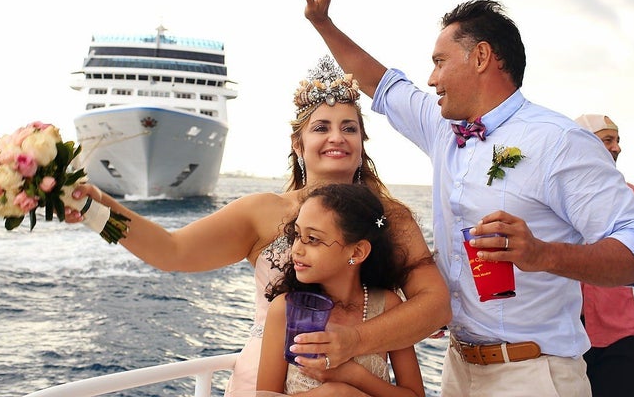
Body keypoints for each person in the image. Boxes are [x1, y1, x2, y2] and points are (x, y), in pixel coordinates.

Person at [300, 0, 634, 396]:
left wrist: (541, 254)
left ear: (481, 58)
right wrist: (323, 23)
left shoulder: (560, 142)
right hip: (458, 369)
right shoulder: (441, 128)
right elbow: (380, 83)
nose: (431, 78)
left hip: (534, 374)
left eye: (440, 61)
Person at [65, 55, 451, 392]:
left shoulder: (389, 219)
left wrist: (352, 344)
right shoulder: (261, 212)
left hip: (360, 385)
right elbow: (172, 251)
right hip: (265, 385)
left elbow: (434, 306)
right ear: (298, 146)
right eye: (321, 127)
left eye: (349, 128)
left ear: (362, 142)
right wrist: (96, 209)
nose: (337, 137)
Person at [257, 183, 425, 397]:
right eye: (297, 235)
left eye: (313, 239)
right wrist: (333, 392)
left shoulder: (388, 306)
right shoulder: (286, 309)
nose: (297, 248)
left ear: (357, 251)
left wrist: (353, 377)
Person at [574, 113, 634, 397]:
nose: (617, 147)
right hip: (570, 334)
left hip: (622, 334)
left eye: (618, 140)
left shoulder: (631, 197)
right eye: (608, 140)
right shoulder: (556, 197)